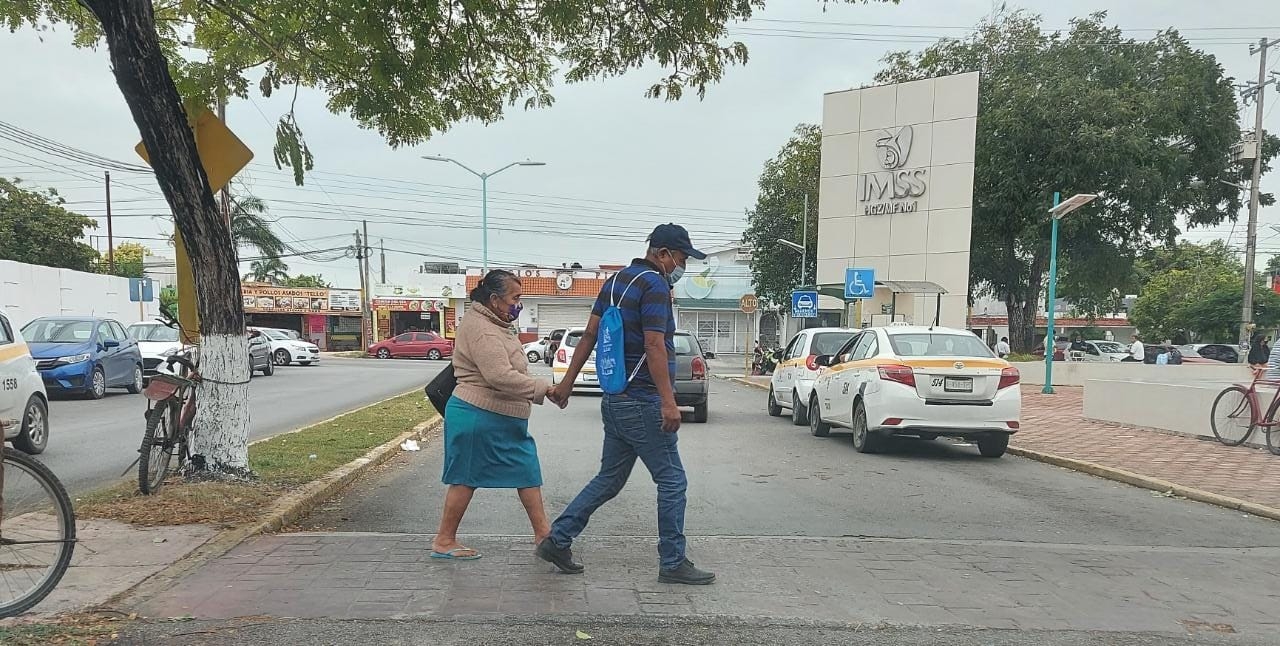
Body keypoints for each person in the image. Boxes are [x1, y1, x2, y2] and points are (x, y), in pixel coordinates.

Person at [537, 224, 716, 586]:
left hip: (616, 399)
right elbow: (654, 345)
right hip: (643, 400)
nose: (683, 267)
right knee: (672, 480)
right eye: (681, 259)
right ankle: (673, 561)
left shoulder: (616, 282)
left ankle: (557, 539)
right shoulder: (654, 286)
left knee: (610, 479)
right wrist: (669, 402)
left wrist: (567, 385)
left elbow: (590, 334)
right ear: (663, 254)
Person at [430, 270, 562, 561]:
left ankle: (544, 536)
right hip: (478, 415)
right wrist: (545, 389)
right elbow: (499, 376)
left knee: (527, 471)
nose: (519, 305)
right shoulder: (482, 328)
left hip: (500, 417)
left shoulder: (496, 322)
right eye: (515, 298)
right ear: (493, 299)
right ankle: (444, 540)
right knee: (465, 477)